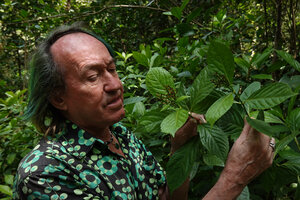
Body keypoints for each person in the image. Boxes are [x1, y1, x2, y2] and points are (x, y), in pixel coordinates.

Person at [13, 22, 275, 200]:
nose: (115, 85)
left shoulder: (120, 136)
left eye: (112, 69)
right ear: (59, 98)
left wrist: (179, 150)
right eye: (93, 76)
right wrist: (234, 178)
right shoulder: (45, 174)